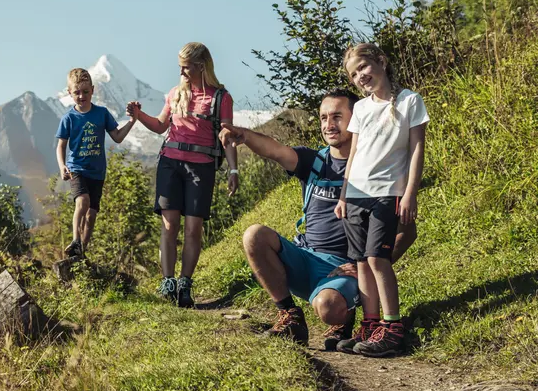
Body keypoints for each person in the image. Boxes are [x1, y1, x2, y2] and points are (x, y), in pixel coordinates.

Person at [219, 89, 417, 351]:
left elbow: (407, 231)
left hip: (344, 268)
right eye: (324, 118)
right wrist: (244, 135)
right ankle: (290, 316)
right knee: (254, 235)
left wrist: (368, 267)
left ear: (358, 119)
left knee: (328, 307)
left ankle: (343, 318)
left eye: (337, 117)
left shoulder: (375, 169)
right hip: (304, 257)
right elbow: (275, 150)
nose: (329, 125)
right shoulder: (313, 161)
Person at [333, 43, 428, 357]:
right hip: (355, 195)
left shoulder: (410, 101)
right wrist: (343, 195)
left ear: (381, 62)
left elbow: (416, 150)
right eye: (353, 74)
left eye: (363, 67)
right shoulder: (360, 108)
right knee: (361, 262)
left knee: (377, 258)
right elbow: (354, 154)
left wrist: (410, 192)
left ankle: (392, 327)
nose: (360, 76)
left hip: (387, 193)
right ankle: (370, 324)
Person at [126, 42, 239, 308]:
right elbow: (160, 126)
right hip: (170, 163)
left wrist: (233, 169)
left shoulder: (221, 98)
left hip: (201, 166)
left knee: (193, 229)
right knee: (169, 225)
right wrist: (138, 115)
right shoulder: (175, 94)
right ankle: (168, 282)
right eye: (180, 67)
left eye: (186, 67)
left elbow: (227, 136)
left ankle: (185, 284)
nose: (181, 72)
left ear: (201, 66)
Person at [56, 68, 137, 258]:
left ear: (93, 90)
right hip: (77, 168)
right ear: (69, 93)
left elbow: (117, 137)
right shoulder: (69, 118)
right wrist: (62, 166)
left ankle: (81, 251)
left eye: (85, 91)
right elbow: (61, 145)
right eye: (77, 92)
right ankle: (75, 240)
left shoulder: (102, 113)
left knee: (91, 215)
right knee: (82, 201)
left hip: (98, 172)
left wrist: (132, 121)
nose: (81, 96)